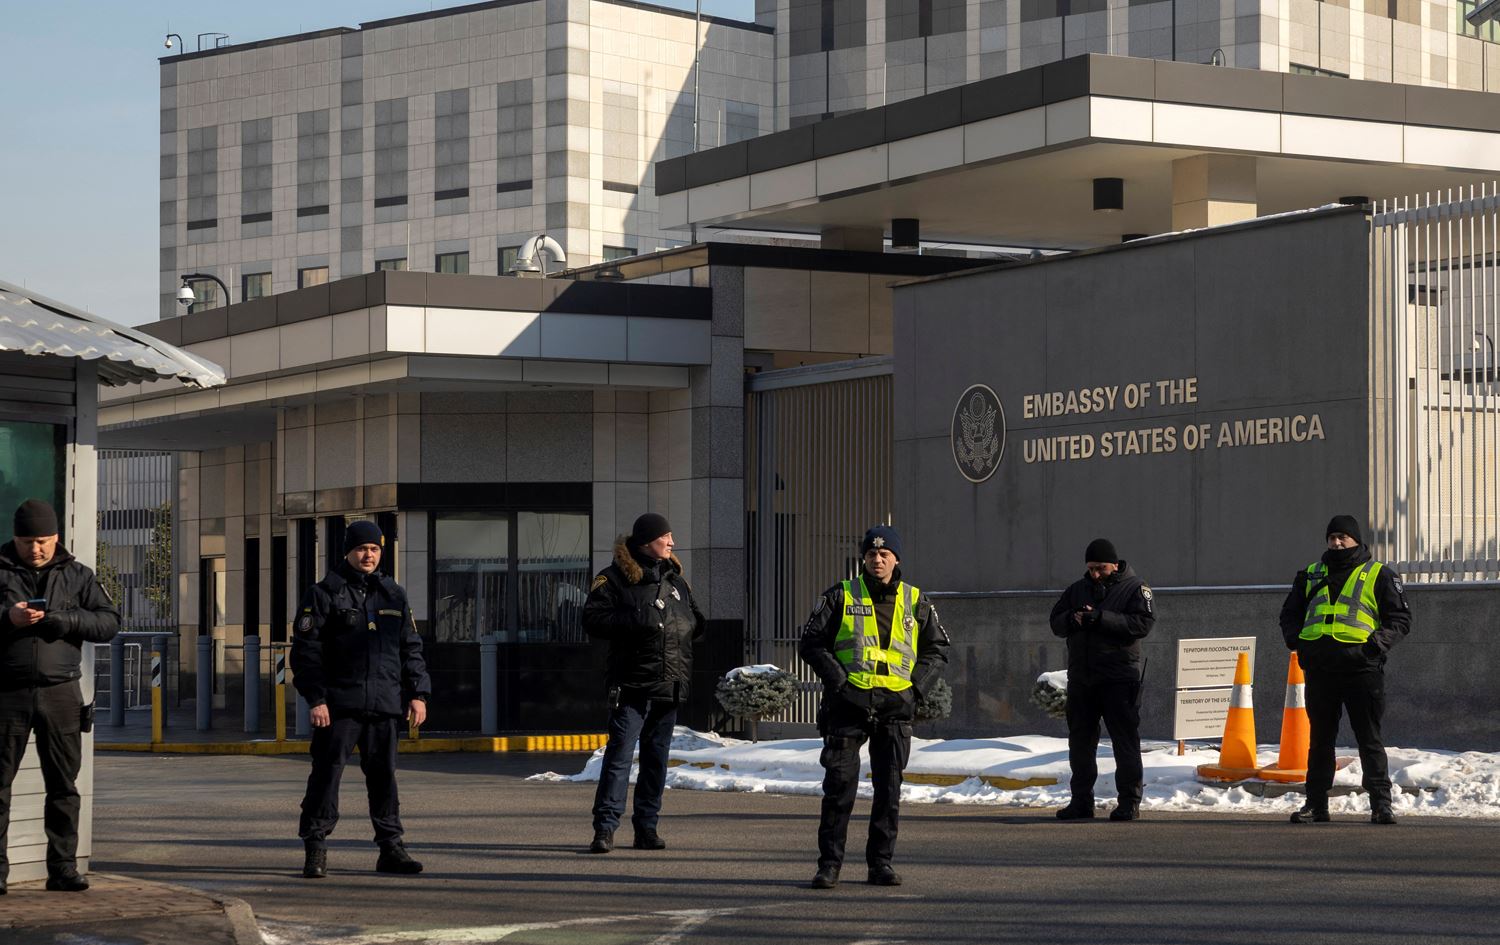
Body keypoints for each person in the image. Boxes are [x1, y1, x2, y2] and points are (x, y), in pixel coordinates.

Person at [798, 525, 949, 889]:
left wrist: (914, 690)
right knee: (839, 789)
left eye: (884, 554)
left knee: (889, 790)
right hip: (848, 705)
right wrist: (840, 682)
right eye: (871, 554)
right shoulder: (840, 595)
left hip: (895, 706)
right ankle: (829, 865)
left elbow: (937, 648)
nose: (877, 560)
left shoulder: (917, 601)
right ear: (863, 558)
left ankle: (880, 863)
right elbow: (812, 643)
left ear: (896, 559)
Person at [291, 520, 430, 879]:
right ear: (348, 551)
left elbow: (410, 648)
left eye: (374, 549)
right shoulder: (324, 594)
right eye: (361, 549)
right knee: (326, 776)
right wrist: (316, 699)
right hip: (338, 705)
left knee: (384, 778)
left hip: (384, 703)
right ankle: (316, 846)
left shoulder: (393, 594)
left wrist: (418, 693)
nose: (368, 555)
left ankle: (391, 848)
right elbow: (306, 653)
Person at [0, 499, 120, 894]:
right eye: (26, 542)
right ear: (14, 538)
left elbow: (109, 622)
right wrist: (8, 617)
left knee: (64, 786)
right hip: (6, 693)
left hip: (61, 692)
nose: (35, 549)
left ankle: (64, 869)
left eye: (43, 541)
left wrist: (64, 620)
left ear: (56, 537)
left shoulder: (78, 575)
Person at [582, 513, 705, 854]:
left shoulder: (676, 581)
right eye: (666, 536)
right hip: (631, 684)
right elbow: (593, 619)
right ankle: (605, 829)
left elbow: (694, 619)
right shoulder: (613, 578)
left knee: (656, 760)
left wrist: (691, 626)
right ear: (647, 541)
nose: (672, 542)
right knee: (620, 756)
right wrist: (639, 618)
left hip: (669, 682)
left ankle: (647, 828)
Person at [1279, 515, 1410, 825]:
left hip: (1362, 669)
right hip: (1321, 669)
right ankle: (1316, 804)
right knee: (1320, 741)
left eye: (1343, 537)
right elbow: (1289, 614)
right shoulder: (1311, 574)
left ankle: (1381, 805)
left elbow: (1400, 620)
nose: (1337, 543)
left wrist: (1373, 647)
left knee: (1369, 739)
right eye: (1332, 537)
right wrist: (1299, 643)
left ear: (1356, 540)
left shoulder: (1379, 574)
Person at [1048, 538, 1154, 822]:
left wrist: (1101, 618)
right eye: (1091, 568)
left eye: (1101, 568)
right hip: (1083, 679)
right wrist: (1073, 618)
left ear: (1114, 565)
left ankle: (1129, 802)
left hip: (1119, 679)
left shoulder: (1135, 588)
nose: (1095, 574)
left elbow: (1142, 624)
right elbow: (1056, 621)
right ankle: (1081, 802)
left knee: (1124, 742)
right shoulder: (1077, 589)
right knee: (1080, 744)